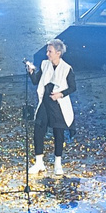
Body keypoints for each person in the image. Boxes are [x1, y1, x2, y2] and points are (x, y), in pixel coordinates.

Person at [30, 39, 74, 178]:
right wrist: (31, 72)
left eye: (50, 51)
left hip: (57, 104)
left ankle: (58, 163)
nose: (47, 54)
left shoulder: (67, 68)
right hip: (45, 102)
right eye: (47, 51)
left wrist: (60, 94)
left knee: (58, 132)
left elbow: (73, 87)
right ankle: (39, 162)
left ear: (58, 53)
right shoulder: (45, 65)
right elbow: (36, 81)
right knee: (38, 129)